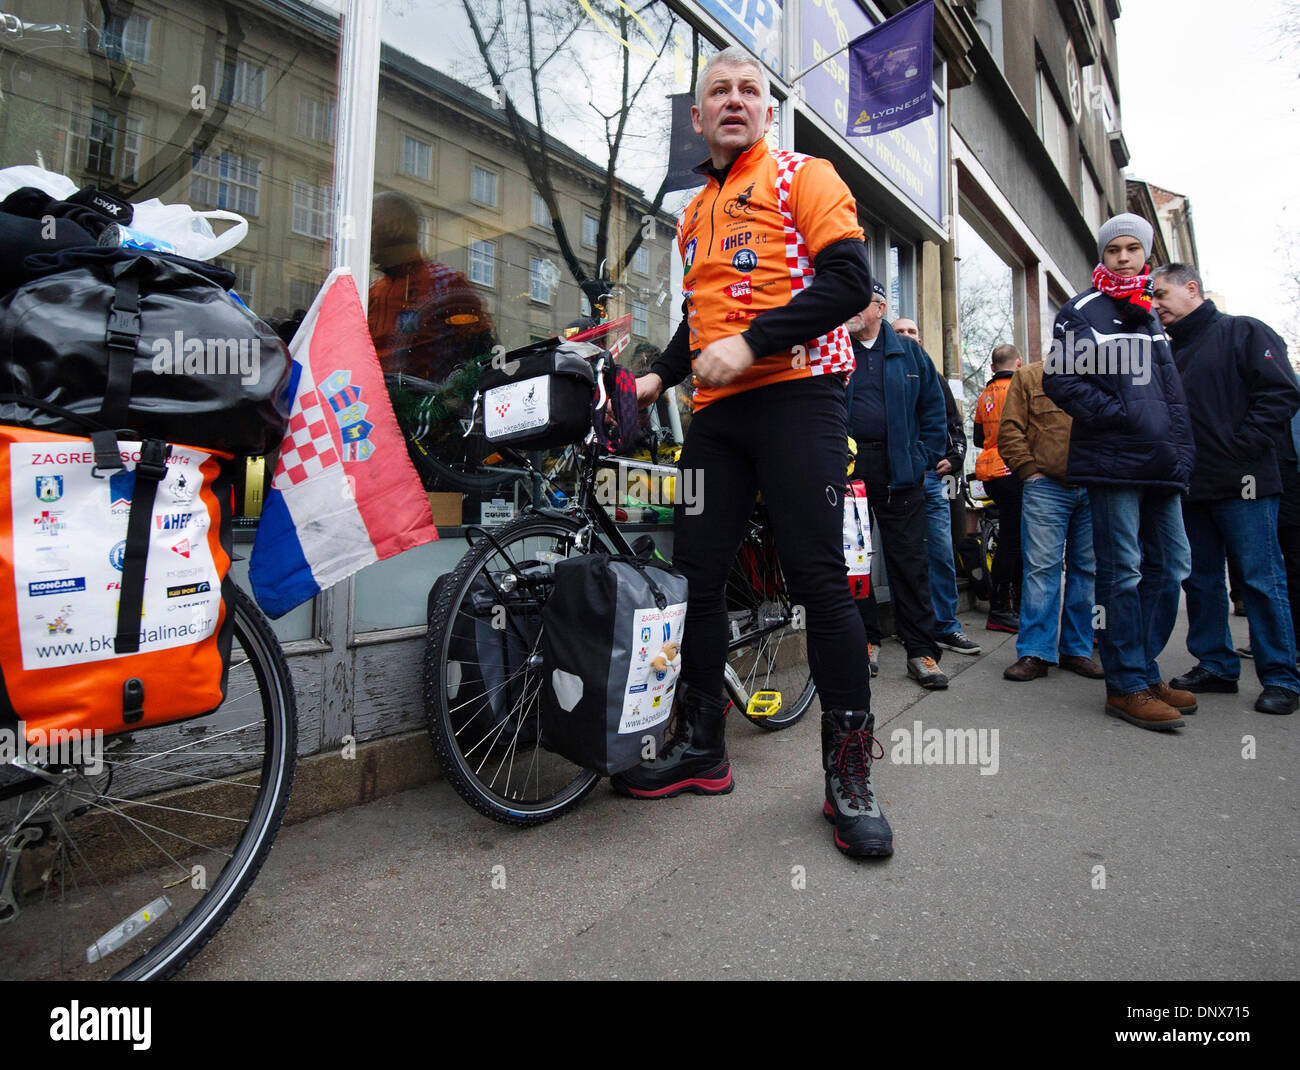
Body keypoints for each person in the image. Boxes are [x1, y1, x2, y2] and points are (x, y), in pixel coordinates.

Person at [612, 47, 890, 858]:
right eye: (717, 92)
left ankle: (850, 776)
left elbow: (847, 285)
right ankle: (703, 745)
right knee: (695, 573)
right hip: (718, 419)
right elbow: (694, 324)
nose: (734, 100)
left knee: (817, 578)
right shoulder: (694, 211)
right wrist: (655, 377)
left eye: (749, 91)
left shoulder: (806, 175)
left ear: (766, 111)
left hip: (801, 401)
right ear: (696, 117)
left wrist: (755, 343)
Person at [1042, 213, 1196, 731]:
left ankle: (1144, 669)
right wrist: (1123, 419)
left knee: (1173, 565)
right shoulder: (1082, 310)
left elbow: (1169, 396)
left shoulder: (1152, 313)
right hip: (1114, 462)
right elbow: (1061, 382)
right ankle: (1125, 684)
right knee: (1122, 571)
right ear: (1103, 256)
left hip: (1162, 464)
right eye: (1115, 250)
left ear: (1144, 253)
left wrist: (1178, 449)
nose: (1124, 257)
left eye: (1133, 248)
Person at [1151, 263, 1300, 715]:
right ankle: (1216, 663)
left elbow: (1280, 392)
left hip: (1246, 483)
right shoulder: (1169, 354)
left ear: (1191, 288)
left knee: (1260, 578)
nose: (1155, 305)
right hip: (1192, 486)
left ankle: (1280, 676)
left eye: (1161, 294)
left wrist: (1244, 446)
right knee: (1201, 581)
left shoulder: (1244, 332)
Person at [846, 285, 949, 690]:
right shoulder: (836, 347)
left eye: (857, 304)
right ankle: (866, 641)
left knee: (909, 564)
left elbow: (934, 411)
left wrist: (921, 456)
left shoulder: (910, 354)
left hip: (899, 471)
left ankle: (921, 651)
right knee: (855, 564)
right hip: (850, 471)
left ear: (880, 308)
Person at [997, 358, 1103, 681]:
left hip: (1096, 486)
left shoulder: (1103, 374)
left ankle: (1076, 650)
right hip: (1047, 487)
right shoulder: (1030, 376)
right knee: (1042, 569)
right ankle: (1035, 652)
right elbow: (1009, 429)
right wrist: (1030, 473)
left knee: (1086, 571)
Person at [891, 317, 980, 656]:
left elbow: (954, 425)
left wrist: (955, 458)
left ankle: (946, 627)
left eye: (912, 331)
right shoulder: (884, 375)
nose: (907, 336)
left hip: (934, 479)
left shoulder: (934, 377)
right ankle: (907, 627)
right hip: (897, 479)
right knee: (903, 556)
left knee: (941, 553)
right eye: (899, 331)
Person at [367, 191, 494, 382]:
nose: (366, 236)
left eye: (371, 225)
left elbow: (480, 357)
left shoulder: (446, 284)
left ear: (394, 227)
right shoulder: (371, 291)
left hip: (423, 407)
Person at [973, 344, 1023, 632]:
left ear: (992, 367)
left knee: (1009, 539)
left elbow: (980, 437)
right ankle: (1003, 607)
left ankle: (1006, 602)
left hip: (990, 472)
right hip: (1013, 469)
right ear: (1018, 362)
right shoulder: (1019, 389)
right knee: (1014, 543)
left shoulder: (985, 395)